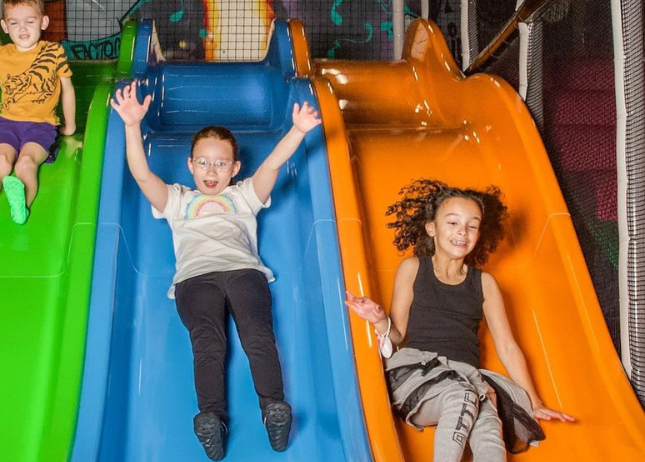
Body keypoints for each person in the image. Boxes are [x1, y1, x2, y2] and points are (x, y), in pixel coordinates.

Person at [110, 80, 321, 460]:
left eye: (221, 163)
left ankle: (273, 408)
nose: (211, 171)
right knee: (208, 343)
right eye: (203, 162)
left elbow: (273, 163)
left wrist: (299, 130)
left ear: (235, 168)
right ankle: (212, 418)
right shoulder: (177, 200)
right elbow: (142, 176)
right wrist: (131, 125)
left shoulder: (243, 195)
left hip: (243, 272)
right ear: (190, 164)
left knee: (257, 334)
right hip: (195, 279)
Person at [345, 179, 575, 462]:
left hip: (467, 377)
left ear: (480, 233)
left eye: (472, 225)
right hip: (416, 378)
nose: (462, 232)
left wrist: (535, 402)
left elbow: (507, 346)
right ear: (432, 228)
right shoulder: (414, 268)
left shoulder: (485, 283)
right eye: (452, 223)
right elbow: (397, 335)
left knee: (490, 423)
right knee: (464, 395)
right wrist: (380, 321)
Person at [0, 0, 75, 225]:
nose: (23, 28)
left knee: (0, 161)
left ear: (43, 22)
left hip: (8, 125)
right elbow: (67, 90)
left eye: (29, 21)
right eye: (15, 23)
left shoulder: (3, 54)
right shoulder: (54, 51)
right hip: (40, 126)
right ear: (5, 27)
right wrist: (70, 125)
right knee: (26, 162)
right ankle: (22, 205)